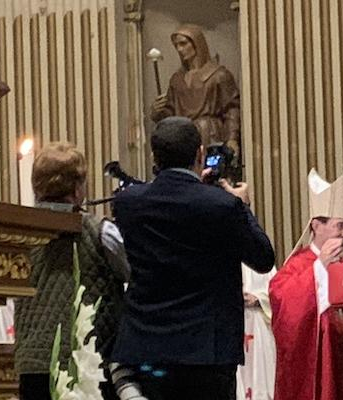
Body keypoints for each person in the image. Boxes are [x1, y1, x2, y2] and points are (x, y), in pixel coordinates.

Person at [111, 116, 275, 400]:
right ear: (200, 154)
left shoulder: (128, 204)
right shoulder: (223, 206)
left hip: (147, 346)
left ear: (154, 157)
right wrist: (242, 205)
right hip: (207, 353)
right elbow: (263, 258)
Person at [14, 142, 129, 400]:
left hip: (33, 364)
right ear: (78, 190)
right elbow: (134, 274)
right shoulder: (100, 232)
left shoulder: (21, 236)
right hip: (85, 364)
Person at [269, 168, 343, 400]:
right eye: (340, 226)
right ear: (316, 226)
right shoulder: (296, 267)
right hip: (318, 377)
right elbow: (286, 316)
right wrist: (320, 267)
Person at [150, 24, 241, 157]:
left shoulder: (218, 75)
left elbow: (231, 108)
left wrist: (232, 138)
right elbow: (171, 115)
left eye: (183, 44)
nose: (179, 49)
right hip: (183, 137)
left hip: (210, 133)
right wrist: (157, 111)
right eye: (176, 46)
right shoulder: (177, 79)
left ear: (197, 43)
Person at [237, 263, 277, 400]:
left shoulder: (261, 259)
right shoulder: (221, 257)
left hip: (260, 327)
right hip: (234, 325)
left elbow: (277, 293)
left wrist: (259, 299)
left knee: (261, 375)